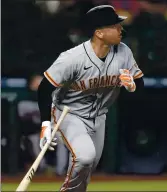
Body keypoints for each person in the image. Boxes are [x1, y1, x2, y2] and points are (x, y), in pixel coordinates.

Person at [37, 5, 144, 192]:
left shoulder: (124, 52)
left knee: (87, 166)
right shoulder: (72, 58)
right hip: (69, 113)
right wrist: (46, 124)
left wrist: (132, 86)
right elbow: (44, 88)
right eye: (115, 26)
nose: (121, 29)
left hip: (99, 116)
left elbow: (139, 81)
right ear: (99, 33)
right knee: (85, 157)